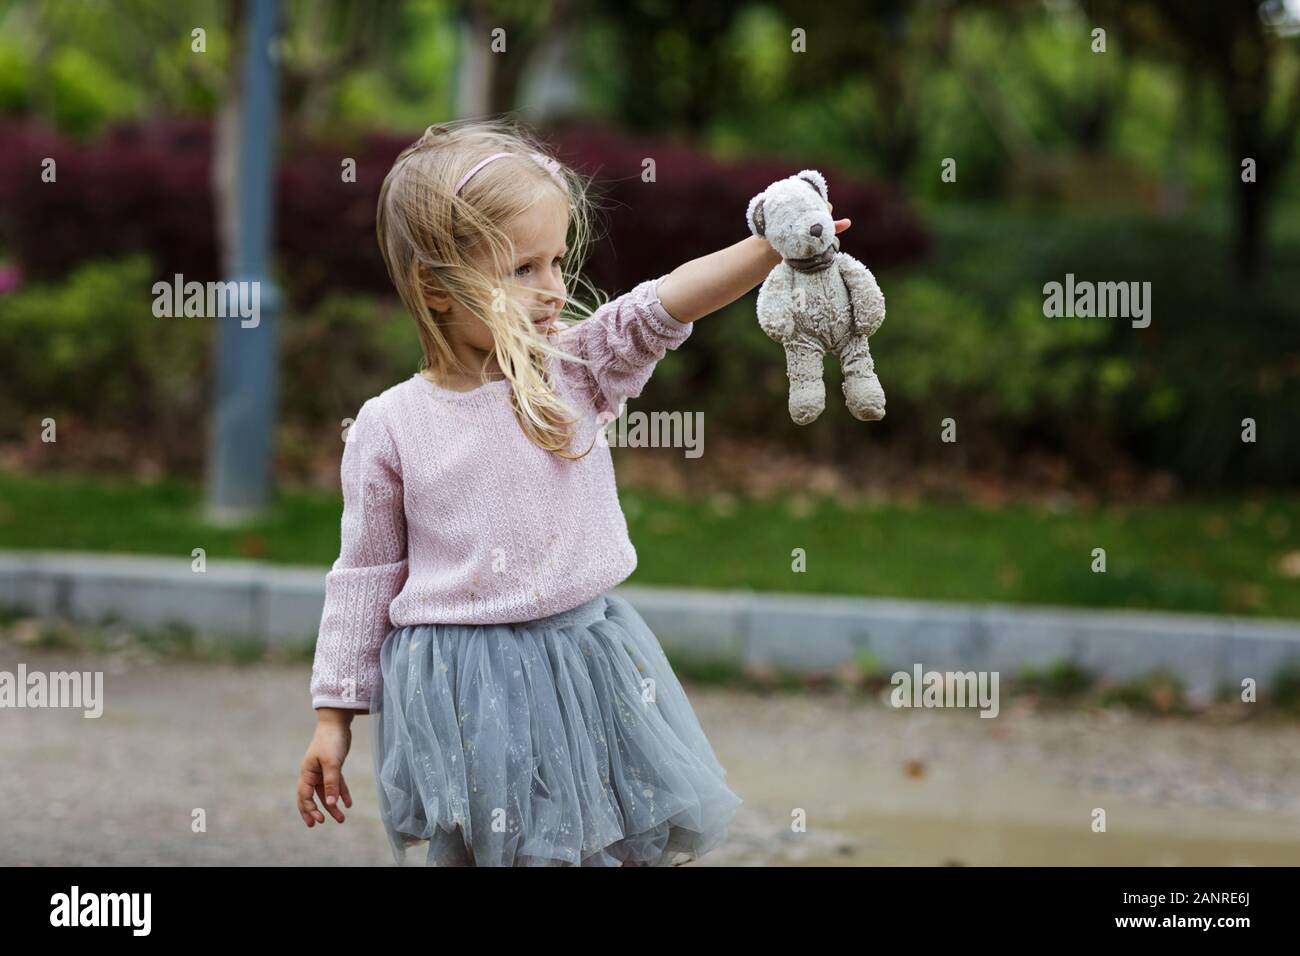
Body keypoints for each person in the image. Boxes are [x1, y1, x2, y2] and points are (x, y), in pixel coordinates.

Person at [295, 116, 849, 866]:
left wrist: (768, 245)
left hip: (585, 663)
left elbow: (665, 304)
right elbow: (363, 574)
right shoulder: (389, 425)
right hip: (466, 689)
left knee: (600, 847)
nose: (555, 290)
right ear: (436, 286)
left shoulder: (572, 370)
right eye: (523, 269)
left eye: (557, 262)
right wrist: (335, 716)